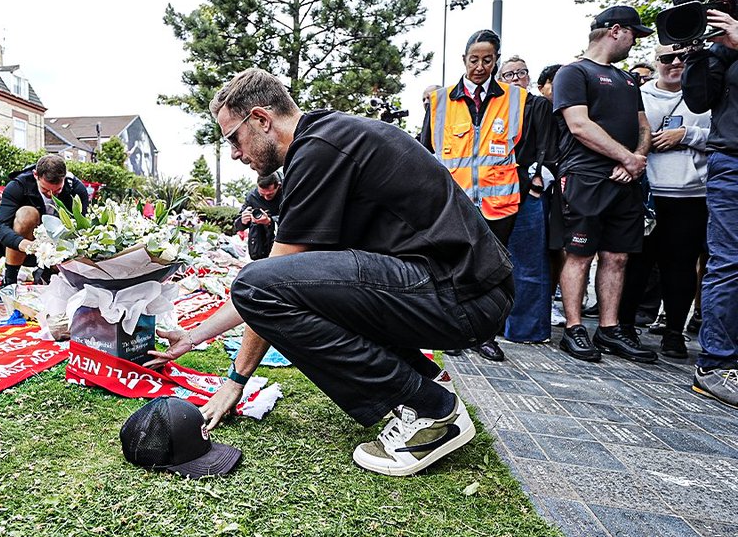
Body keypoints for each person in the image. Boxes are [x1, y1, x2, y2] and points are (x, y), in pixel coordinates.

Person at [150, 68, 515, 477]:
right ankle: (428, 381)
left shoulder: (319, 150)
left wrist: (236, 379)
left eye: (233, 137)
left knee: (258, 286)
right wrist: (194, 336)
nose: (235, 152)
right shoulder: (328, 138)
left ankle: (432, 410)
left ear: (261, 119)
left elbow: (265, 284)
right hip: (464, 290)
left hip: (459, 296)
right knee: (296, 289)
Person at [421, 30, 550, 361]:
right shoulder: (440, 101)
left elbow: (530, 147)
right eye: (474, 59)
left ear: (496, 60)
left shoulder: (517, 100)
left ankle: (485, 335)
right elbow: (424, 152)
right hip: (454, 202)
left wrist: (526, 178)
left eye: (487, 59)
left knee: (492, 272)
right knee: (451, 269)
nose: (480, 66)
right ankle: (450, 331)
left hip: (499, 203)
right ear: (464, 60)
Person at [552, 6, 657, 364]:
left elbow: (644, 127)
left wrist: (635, 160)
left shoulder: (629, 80)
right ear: (615, 30)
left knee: (617, 256)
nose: (635, 42)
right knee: (580, 254)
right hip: (586, 177)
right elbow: (579, 125)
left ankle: (609, 329)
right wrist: (625, 158)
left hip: (625, 181)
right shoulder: (574, 72)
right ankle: (574, 328)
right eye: (633, 34)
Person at [618, 44, 710, 359]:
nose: (675, 63)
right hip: (646, 194)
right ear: (656, 62)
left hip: (690, 195)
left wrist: (685, 134)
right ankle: (625, 326)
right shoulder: (638, 94)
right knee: (636, 264)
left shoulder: (706, 93)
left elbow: (724, 137)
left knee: (681, 268)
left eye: (682, 56)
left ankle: (674, 334)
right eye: (666, 58)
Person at [681, 9, 738, 408]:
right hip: (732, 162)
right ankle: (716, 365)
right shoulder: (722, 48)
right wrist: (698, 53)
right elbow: (699, 100)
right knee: (730, 261)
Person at [497, 54, 557, 345]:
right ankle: (496, 323)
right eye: (509, 74)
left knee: (530, 263)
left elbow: (547, 146)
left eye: (521, 73)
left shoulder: (538, 104)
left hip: (527, 192)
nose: (517, 78)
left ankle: (527, 329)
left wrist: (537, 183)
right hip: (495, 194)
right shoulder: (495, 108)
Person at [0, 154, 89, 287]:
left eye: (57, 191)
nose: (51, 195)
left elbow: (82, 229)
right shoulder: (18, 186)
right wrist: (22, 243)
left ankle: (50, 275)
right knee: (26, 214)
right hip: (25, 243)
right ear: (35, 175)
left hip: (59, 244)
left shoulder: (76, 189)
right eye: (45, 190)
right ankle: (9, 280)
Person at [232, 170, 282, 260]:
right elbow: (237, 226)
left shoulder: (287, 193)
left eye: (270, 195)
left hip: (281, 247)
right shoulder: (252, 197)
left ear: (278, 186)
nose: (266, 198)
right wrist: (243, 221)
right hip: (258, 247)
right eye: (262, 195)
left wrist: (270, 221)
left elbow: (294, 219)